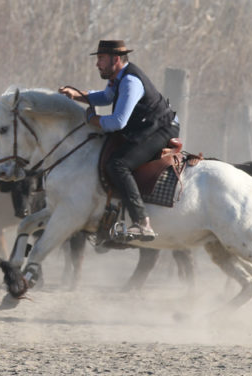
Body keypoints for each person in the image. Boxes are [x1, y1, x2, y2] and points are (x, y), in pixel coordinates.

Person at [59, 40, 179, 240]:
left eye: (101, 58)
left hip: (161, 129)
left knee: (117, 164)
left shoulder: (130, 81)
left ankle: (142, 223)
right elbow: (106, 97)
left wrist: (92, 119)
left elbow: (117, 122)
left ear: (115, 60)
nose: (97, 64)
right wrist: (78, 95)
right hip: (147, 126)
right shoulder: (118, 77)